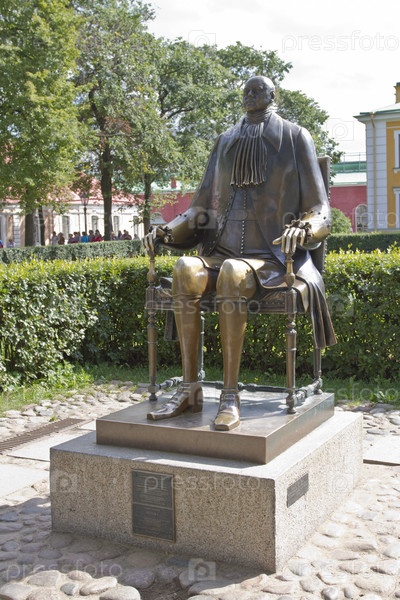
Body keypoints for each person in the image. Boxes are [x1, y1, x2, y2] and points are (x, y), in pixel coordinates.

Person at [143, 75, 336, 431]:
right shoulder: (225, 141)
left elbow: (320, 209)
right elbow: (199, 208)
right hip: (222, 252)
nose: (250, 94)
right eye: (246, 90)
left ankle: (229, 396)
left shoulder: (295, 137)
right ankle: (189, 390)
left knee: (233, 272)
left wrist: (304, 228)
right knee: (185, 267)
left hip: (273, 258)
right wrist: (167, 232)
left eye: (258, 90)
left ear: (273, 95)